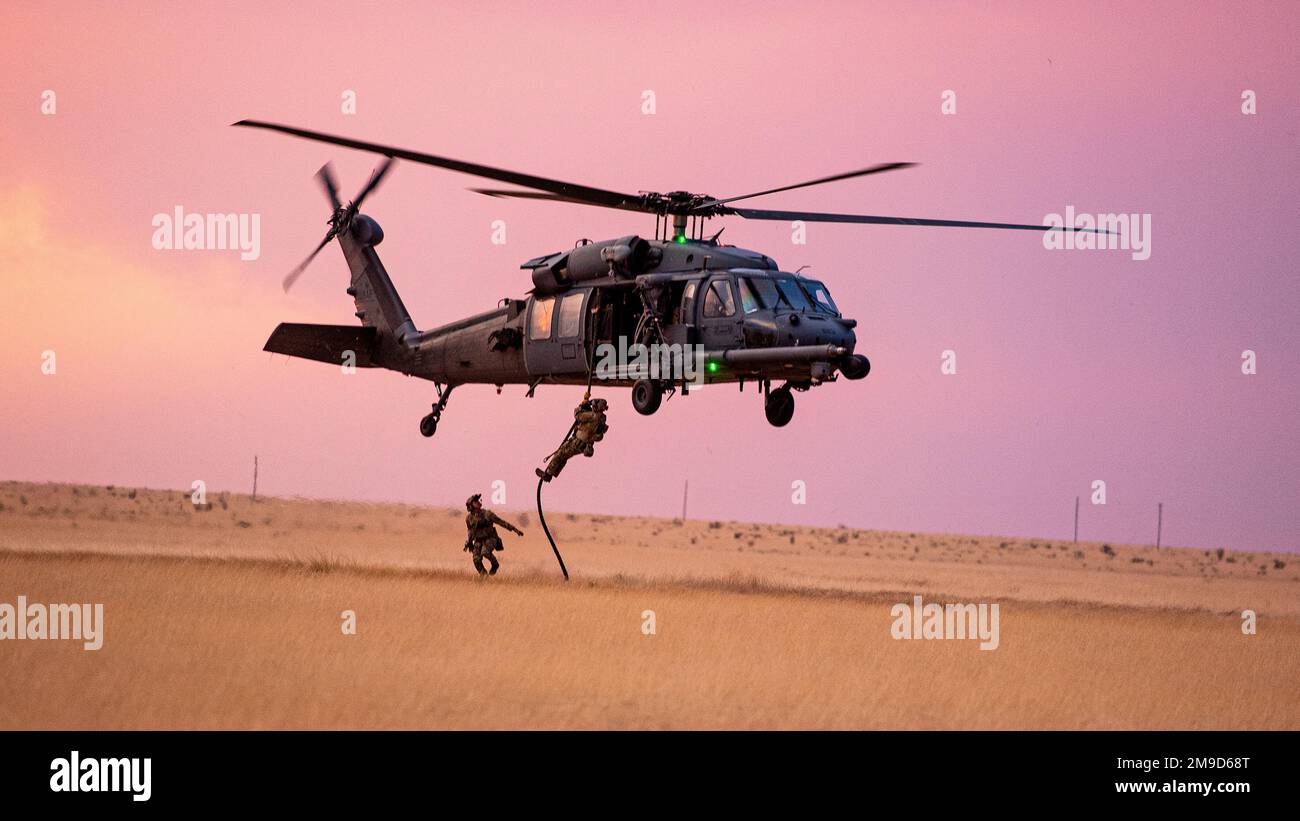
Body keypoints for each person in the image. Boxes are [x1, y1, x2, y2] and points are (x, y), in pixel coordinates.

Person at [537, 397, 609, 482]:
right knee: (564, 456)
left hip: (577, 442)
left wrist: (581, 406)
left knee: (560, 454)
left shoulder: (592, 416)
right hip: (583, 445)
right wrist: (587, 406)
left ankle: (548, 474)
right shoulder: (602, 418)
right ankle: (551, 473)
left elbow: (578, 415)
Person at [463, 494, 523, 576]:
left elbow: (501, 522)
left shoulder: (487, 514)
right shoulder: (469, 518)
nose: (478, 502)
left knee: (485, 552)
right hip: (478, 540)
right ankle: (484, 576)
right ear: (471, 505)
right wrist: (469, 543)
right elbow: (470, 531)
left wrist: (515, 530)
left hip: (490, 538)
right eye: (476, 501)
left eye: (478, 500)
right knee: (476, 559)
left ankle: (495, 564)